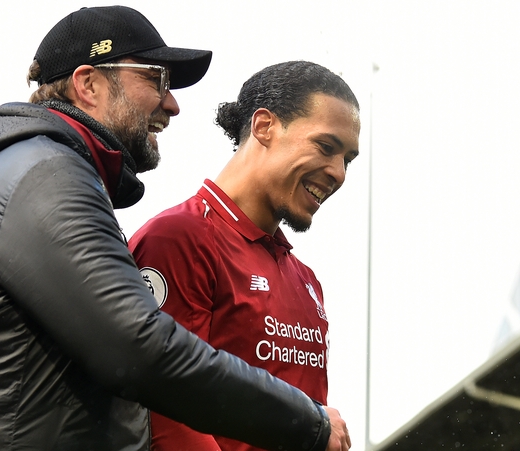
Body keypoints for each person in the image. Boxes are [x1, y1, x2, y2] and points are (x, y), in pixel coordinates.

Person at [0, 7, 347, 451]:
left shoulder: (52, 169)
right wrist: (308, 423)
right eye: (156, 79)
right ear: (88, 84)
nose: (172, 103)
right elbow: (137, 349)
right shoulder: (44, 170)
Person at [129, 61, 361, 451]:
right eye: (326, 147)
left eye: (348, 160)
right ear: (264, 126)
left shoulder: (306, 280)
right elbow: (169, 418)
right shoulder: (179, 238)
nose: (338, 173)